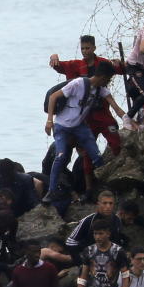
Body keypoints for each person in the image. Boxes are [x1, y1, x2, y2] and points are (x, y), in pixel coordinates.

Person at [42, 61, 117, 203]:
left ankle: (105, 189)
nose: (108, 82)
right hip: (62, 126)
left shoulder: (100, 90)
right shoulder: (77, 84)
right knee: (60, 156)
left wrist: (126, 118)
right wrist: (49, 120)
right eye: (108, 79)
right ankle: (51, 191)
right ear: (102, 77)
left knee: (97, 156)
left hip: (80, 127)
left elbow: (114, 104)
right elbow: (53, 97)